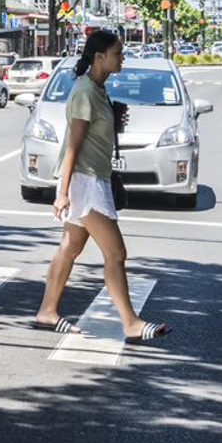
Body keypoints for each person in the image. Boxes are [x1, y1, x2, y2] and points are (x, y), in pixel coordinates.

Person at [36, 30, 170, 342]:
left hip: (91, 178)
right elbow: (73, 145)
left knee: (70, 248)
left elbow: (92, 133)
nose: (122, 58)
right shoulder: (85, 92)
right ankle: (130, 323)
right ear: (99, 57)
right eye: (118, 54)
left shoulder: (97, 90)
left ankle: (47, 311)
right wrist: (63, 192)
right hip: (86, 182)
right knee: (116, 252)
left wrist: (113, 117)